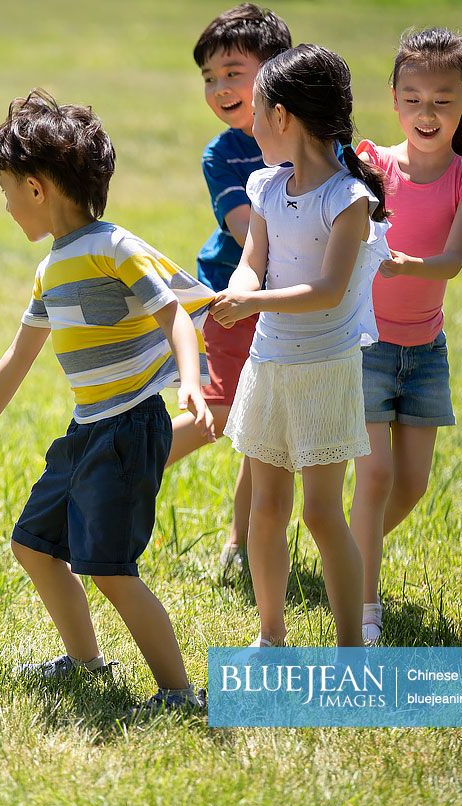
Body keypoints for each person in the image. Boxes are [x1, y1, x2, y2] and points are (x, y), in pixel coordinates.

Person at [0, 91, 214, 712]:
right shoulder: (52, 267)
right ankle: (85, 661)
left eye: (7, 191)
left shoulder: (115, 249)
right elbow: (19, 354)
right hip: (87, 429)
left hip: (128, 428)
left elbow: (175, 316)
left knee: (111, 568)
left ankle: (178, 693)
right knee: (34, 544)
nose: (6, 205)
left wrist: (189, 382)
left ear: (36, 188)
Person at [349, 27, 462, 645]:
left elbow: (452, 262)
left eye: (442, 99)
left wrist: (402, 263)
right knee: (373, 480)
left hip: (426, 351)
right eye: (413, 97)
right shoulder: (372, 165)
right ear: (395, 99)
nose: (426, 112)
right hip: (368, 345)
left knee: (412, 485)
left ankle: (348, 556)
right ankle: (363, 607)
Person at [210, 45, 390, 648]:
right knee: (266, 509)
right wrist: (236, 293)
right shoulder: (264, 186)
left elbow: (330, 292)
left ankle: (349, 647)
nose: (252, 125)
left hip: (323, 370)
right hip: (269, 364)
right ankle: (271, 635)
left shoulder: (348, 200)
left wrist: (254, 303)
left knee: (320, 513)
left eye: (258, 113)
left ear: (283, 117)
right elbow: (251, 264)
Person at [175, 3, 293, 582]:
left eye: (231, 73)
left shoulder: (315, 141)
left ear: (278, 72)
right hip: (232, 296)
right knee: (218, 412)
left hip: (292, 303)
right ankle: (114, 473)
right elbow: (244, 227)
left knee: (266, 427)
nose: (219, 88)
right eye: (209, 78)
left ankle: (239, 544)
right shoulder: (224, 153)